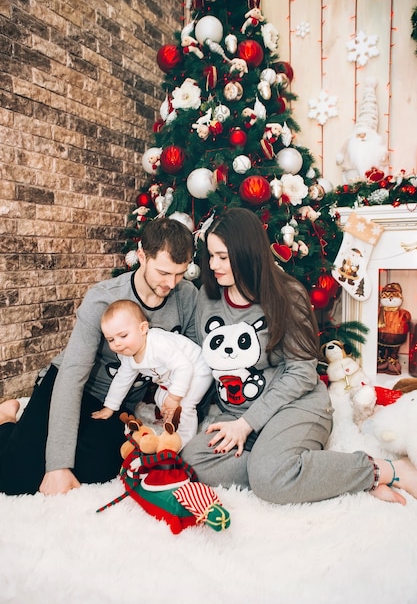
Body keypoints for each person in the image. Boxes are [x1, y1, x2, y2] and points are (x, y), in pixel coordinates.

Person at [181, 207, 417, 506]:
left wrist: (247, 424)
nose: (213, 265)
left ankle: (385, 470)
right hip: (238, 414)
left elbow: (303, 373)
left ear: (247, 254)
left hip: (296, 406)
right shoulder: (207, 297)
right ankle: (304, 471)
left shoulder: (287, 295)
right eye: (210, 256)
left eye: (223, 257)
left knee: (270, 480)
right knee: (193, 459)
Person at [0, 218, 203, 496]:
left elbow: (192, 359)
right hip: (74, 384)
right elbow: (73, 375)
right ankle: (7, 420)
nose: (172, 283)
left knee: (97, 471)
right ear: (142, 256)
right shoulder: (102, 297)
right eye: (164, 273)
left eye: (180, 274)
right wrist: (57, 465)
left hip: (116, 402)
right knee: (15, 478)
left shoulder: (188, 297)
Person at [92, 299, 213, 448]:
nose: (117, 343)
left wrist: (175, 398)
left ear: (142, 329)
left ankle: (182, 443)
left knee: (185, 405)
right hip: (173, 375)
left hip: (197, 369)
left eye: (123, 336)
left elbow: (184, 367)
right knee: (160, 397)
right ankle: (171, 422)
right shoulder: (128, 355)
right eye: (111, 339)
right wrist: (109, 407)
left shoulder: (158, 344)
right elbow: (122, 379)